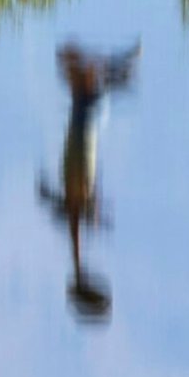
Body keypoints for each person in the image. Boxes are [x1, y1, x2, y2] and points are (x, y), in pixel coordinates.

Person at [39, 42, 138, 320]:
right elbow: (74, 226)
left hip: (87, 115)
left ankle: (118, 71)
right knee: (70, 59)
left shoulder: (76, 201)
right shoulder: (77, 201)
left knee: (72, 61)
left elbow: (73, 221)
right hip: (87, 116)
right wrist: (79, 272)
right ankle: (118, 70)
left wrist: (80, 275)